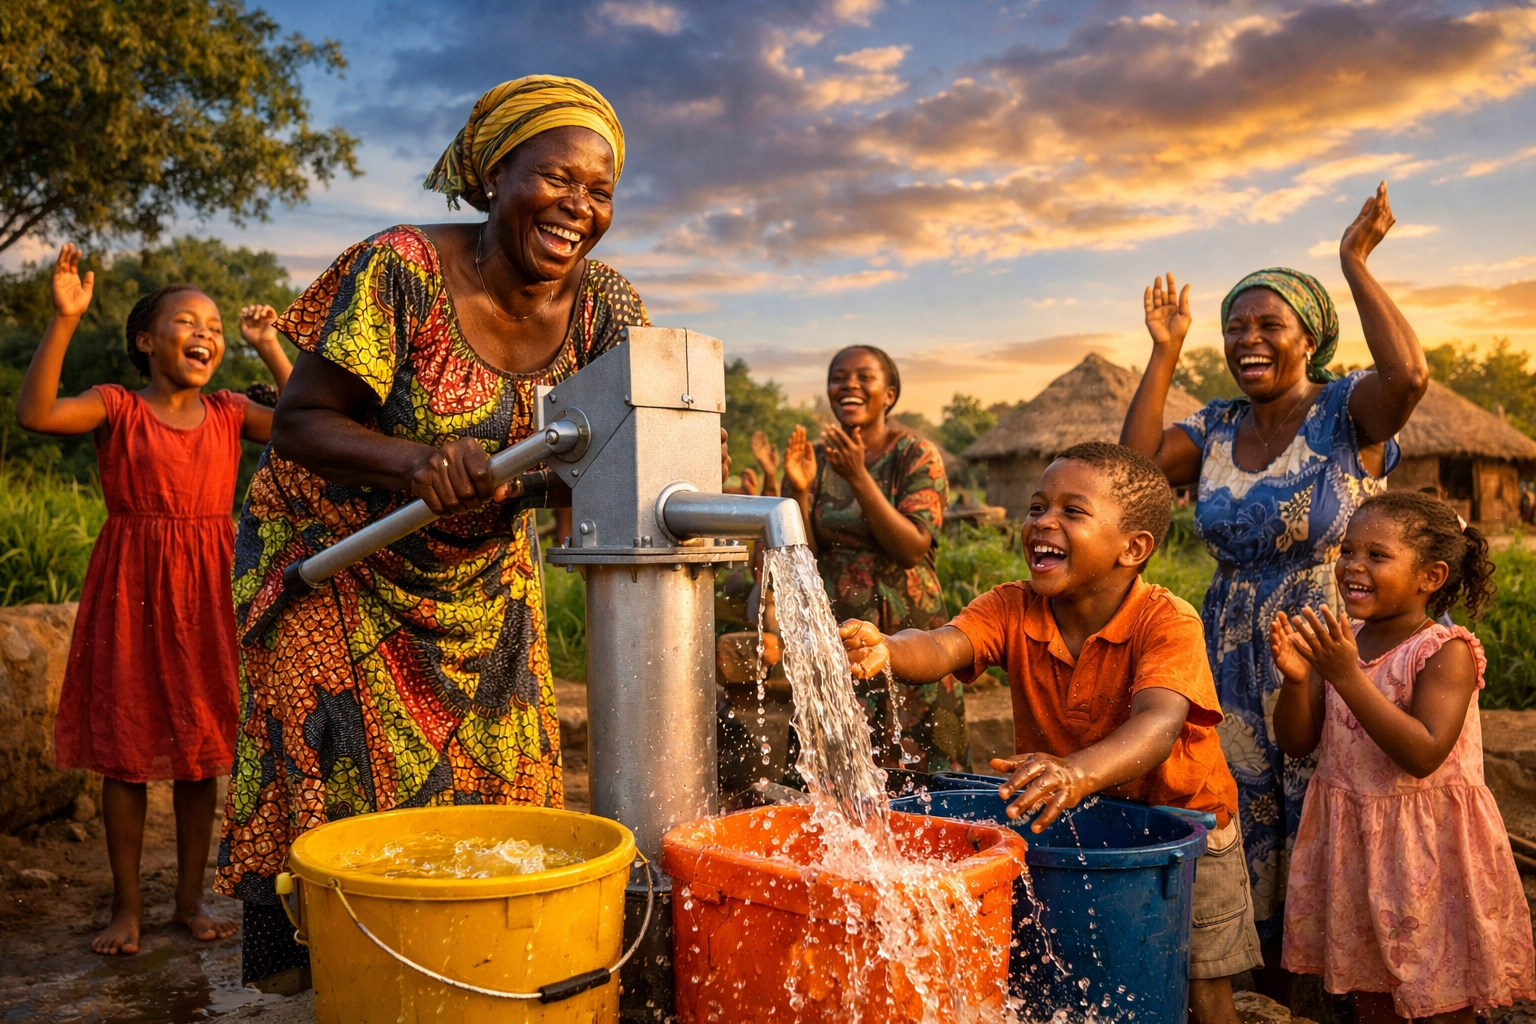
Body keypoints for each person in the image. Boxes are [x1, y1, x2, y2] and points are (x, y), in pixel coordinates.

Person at [215, 76, 651, 992]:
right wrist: (414, 461)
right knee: (336, 768)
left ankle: (468, 961)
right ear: (494, 178)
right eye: (556, 178)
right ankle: (321, 963)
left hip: (481, 569)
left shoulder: (608, 306)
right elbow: (299, 421)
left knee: (502, 773)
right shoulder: (400, 269)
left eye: (600, 190)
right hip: (333, 555)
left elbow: (621, 449)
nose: (578, 205)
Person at [1119, 183, 1430, 971]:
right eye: (1235, 327)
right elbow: (1133, 472)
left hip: (1327, 642)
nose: (1247, 339)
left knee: (1327, 801)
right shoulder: (1218, 424)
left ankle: (1338, 974)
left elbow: (1409, 377)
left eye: (1268, 324)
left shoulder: (1346, 413)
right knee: (1233, 803)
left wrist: (1353, 261)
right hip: (1227, 645)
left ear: (1309, 337)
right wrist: (1165, 350)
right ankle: (1252, 975)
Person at [841, 442, 1258, 1024]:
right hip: (1077, 822)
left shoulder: (1166, 621)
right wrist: (888, 648)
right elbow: (941, 644)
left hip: (1183, 831)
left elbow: (1159, 724)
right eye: (1038, 507)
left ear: (1133, 548)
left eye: (1072, 511)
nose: (1043, 521)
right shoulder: (1012, 607)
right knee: (1068, 968)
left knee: (1202, 987)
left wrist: (1076, 771)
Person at [16, 244, 292, 955]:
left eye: (215, 327)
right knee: (127, 750)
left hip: (206, 592)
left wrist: (269, 346)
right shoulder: (116, 407)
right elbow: (37, 413)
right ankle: (127, 907)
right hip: (130, 591)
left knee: (201, 753)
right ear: (145, 340)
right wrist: (63, 319)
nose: (205, 334)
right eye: (187, 322)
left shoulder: (230, 412)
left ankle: (190, 899)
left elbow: (304, 423)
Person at [1270, 491, 1535, 1023]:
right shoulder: (1343, 644)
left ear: (1430, 577)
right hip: (1357, 844)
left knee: (1440, 993)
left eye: (1377, 555)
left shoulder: (1444, 651)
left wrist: (1346, 675)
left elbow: (1424, 753)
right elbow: (1297, 743)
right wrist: (1298, 682)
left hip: (1427, 851)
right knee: (1371, 989)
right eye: (1348, 551)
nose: (1353, 565)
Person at [781, 345, 963, 771]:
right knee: (831, 766)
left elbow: (911, 549)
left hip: (907, 630)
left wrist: (858, 475)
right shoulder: (818, 457)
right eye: (839, 377)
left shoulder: (916, 455)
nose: (850, 385)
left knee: (917, 771)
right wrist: (801, 490)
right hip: (837, 630)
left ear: (889, 394)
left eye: (865, 377)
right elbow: (807, 556)